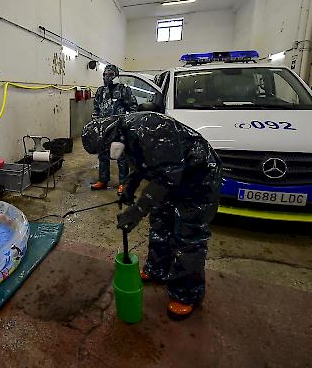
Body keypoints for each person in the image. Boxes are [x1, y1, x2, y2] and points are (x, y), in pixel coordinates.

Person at [81, 111, 221, 319]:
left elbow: (167, 177)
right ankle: (157, 269)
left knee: (187, 235)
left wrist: (137, 210)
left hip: (198, 176)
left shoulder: (151, 129)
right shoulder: (124, 135)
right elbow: (143, 165)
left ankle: (186, 294)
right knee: (160, 221)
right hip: (169, 176)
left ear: (112, 136)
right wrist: (129, 186)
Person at [91, 64, 137, 193]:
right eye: (105, 74)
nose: (107, 77)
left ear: (116, 75)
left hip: (118, 128)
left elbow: (133, 108)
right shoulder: (100, 91)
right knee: (103, 155)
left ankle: (123, 183)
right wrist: (96, 122)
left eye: (110, 74)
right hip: (103, 129)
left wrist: (127, 122)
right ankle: (103, 180)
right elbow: (96, 109)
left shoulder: (123, 89)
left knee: (121, 156)